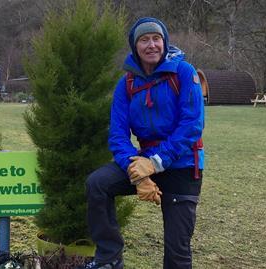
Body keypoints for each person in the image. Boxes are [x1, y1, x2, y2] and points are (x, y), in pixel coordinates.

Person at [83, 17, 204, 269]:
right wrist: (138, 173)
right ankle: (109, 258)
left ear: (165, 42)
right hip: (142, 161)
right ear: (135, 46)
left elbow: (191, 125)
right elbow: (117, 135)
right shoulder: (126, 83)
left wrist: (156, 162)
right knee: (98, 184)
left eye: (156, 39)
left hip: (182, 164)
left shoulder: (184, 73)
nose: (151, 45)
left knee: (177, 251)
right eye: (144, 40)